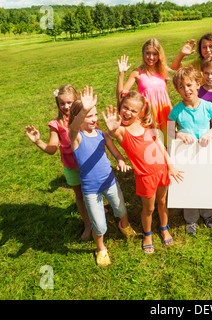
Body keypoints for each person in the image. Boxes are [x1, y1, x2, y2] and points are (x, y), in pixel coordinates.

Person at [102, 92, 183, 254]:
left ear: (140, 113)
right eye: (125, 107)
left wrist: (170, 165)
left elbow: (159, 144)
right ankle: (148, 235)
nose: (127, 112)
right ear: (120, 106)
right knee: (149, 208)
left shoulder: (144, 123)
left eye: (133, 110)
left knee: (162, 201)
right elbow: (115, 133)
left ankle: (164, 228)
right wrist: (113, 129)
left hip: (162, 169)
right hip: (145, 177)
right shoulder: (122, 131)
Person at [68, 86, 135, 266]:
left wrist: (120, 161)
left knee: (121, 209)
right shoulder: (77, 137)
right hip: (90, 190)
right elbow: (73, 129)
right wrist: (84, 110)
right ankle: (101, 248)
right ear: (78, 118)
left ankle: (125, 225)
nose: (94, 119)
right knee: (100, 224)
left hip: (110, 181)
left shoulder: (102, 134)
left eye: (95, 114)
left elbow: (116, 153)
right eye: (88, 116)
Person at [25, 85, 91, 241]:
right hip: (71, 167)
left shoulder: (84, 116)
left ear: (77, 100)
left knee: (93, 191)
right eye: (62, 103)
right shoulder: (56, 124)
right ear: (57, 104)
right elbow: (52, 148)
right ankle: (88, 224)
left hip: (88, 164)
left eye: (70, 102)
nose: (66, 107)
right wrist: (38, 141)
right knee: (80, 196)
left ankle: (98, 209)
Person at [169, 67, 212, 234]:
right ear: (177, 89)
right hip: (186, 157)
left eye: (189, 85)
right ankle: (191, 219)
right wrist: (180, 133)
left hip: (205, 154)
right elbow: (168, 133)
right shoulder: (175, 111)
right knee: (188, 185)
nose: (186, 90)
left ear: (198, 84)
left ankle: (208, 214)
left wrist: (210, 132)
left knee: (207, 183)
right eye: (181, 87)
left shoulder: (208, 107)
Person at [117, 38, 172, 144]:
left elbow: (165, 94)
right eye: (148, 53)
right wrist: (121, 73)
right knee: (153, 147)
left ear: (159, 55)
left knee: (169, 146)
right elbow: (120, 96)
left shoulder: (163, 70)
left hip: (165, 113)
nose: (151, 57)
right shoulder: (137, 73)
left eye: (154, 54)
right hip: (149, 115)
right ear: (143, 53)